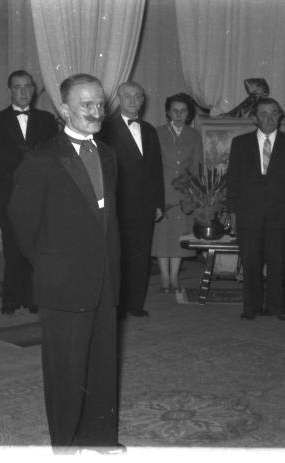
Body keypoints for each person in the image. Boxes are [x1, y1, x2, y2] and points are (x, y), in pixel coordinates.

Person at [8, 74, 122, 451]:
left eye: (99, 104)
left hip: (105, 277)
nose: (95, 112)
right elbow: (22, 223)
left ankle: (100, 437)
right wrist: (50, 266)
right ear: (64, 110)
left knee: (102, 361)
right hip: (63, 281)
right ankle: (67, 444)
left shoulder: (108, 154)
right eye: (85, 105)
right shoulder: (41, 159)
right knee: (67, 369)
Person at [0, 70, 58, 315]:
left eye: (28, 87)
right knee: (12, 248)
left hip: (39, 195)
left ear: (33, 90)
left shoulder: (46, 120)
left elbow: (55, 160)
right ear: (10, 90)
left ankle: (34, 297)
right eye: (18, 87)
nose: (23, 92)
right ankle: (11, 298)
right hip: (6, 195)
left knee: (35, 248)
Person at [226, 97, 285, 321]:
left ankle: (276, 307)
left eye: (274, 113)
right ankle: (251, 307)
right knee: (251, 262)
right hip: (249, 214)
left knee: (278, 263)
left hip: (282, 215)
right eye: (264, 114)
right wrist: (233, 212)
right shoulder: (240, 144)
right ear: (254, 118)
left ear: (280, 116)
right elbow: (233, 180)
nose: (269, 118)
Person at [99, 81, 164, 318]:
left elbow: (156, 169)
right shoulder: (106, 129)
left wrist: (158, 202)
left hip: (145, 206)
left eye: (138, 96)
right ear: (118, 98)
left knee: (140, 256)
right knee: (118, 256)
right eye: (127, 96)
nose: (133, 101)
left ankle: (136, 304)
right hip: (118, 206)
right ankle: (117, 307)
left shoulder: (149, 130)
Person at [152, 93, 203, 301]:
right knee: (162, 235)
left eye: (183, 111)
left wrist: (193, 188)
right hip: (162, 189)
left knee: (179, 235)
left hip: (185, 191)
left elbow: (198, 165)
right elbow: (152, 165)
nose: (179, 114)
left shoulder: (194, 135)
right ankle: (164, 277)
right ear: (167, 112)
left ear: (189, 113)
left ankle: (175, 277)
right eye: (175, 110)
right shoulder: (157, 133)